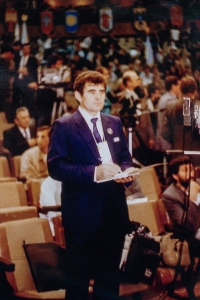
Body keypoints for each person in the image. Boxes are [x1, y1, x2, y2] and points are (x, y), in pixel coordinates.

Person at [47, 70, 137, 300]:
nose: (98, 97)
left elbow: (125, 157)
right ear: (78, 95)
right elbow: (56, 168)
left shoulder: (114, 122)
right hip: (82, 217)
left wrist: (126, 172)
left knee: (108, 285)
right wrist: (94, 172)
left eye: (101, 92)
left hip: (114, 215)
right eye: (91, 92)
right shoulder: (64, 126)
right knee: (78, 286)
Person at [162, 155, 200, 299]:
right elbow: (188, 224)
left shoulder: (197, 184)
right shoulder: (169, 195)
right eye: (185, 171)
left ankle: (192, 283)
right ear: (175, 175)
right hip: (186, 235)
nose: (191, 174)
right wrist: (193, 200)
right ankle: (192, 284)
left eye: (191, 169)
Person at [161, 76, 200, 166]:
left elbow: (164, 132)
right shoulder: (198, 106)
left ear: (181, 89)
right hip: (197, 154)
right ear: (195, 90)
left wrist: (176, 140)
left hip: (177, 153)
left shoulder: (170, 106)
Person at [11, 42, 38, 121]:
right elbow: (13, 69)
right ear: (22, 49)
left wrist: (28, 74)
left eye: (28, 49)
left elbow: (34, 72)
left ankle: (27, 118)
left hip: (28, 82)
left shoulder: (33, 59)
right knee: (15, 100)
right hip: (18, 81)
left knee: (27, 101)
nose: (26, 50)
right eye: (24, 49)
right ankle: (14, 118)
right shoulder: (17, 58)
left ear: (30, 50)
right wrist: (18, 71)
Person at [156, 75, 181, 152]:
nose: (180, 88)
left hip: (166, 136)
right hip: (166, 138)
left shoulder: (166, 97)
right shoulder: (168, 100)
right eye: (179, 85)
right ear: (173, 86)